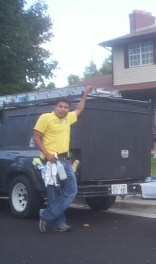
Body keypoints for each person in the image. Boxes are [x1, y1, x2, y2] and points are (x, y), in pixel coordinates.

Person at [33, 86, 93, 233]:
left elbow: (79, 109)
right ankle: (59, 223)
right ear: (55, 107)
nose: (63, 109)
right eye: (60, 106)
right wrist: (47, 154)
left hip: (65, 161)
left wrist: (85, 93)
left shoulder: (68, 118)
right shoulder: (45, 118)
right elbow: (36, 137)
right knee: (53, 192)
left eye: (66, 107)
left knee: (71, 190)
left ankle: (46, 215)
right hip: (50, 162)